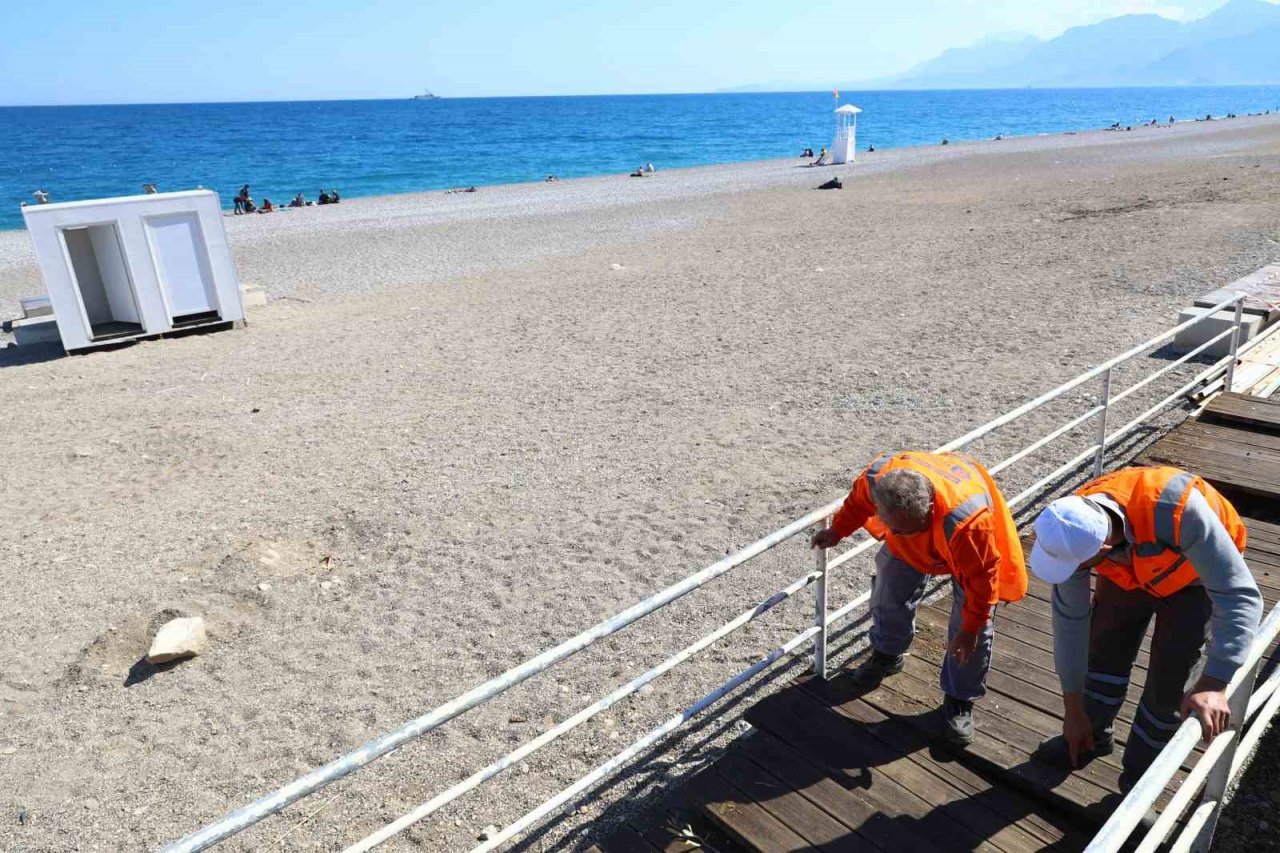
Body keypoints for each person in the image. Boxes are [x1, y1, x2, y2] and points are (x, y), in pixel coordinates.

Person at [1029, 466, 1261, 790]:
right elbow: (1070, 623)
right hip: (1131, 565)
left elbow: (1240, 595)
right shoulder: (1072, 526)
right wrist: (1073, 710)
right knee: (1103, 648)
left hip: (1194, 577)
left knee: (1171, 682)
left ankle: (1140, 779)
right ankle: (1091, 734)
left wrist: (1214, 681)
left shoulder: (1182, 513)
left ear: (1102, 550)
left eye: (1076, 567)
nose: (1070, 572)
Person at [811, 451, 1028, 745]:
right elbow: (858, 504)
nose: (893, 532)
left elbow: (981, 581)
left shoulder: (969, 523)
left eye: (904, 528)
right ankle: (887, 654)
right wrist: (838, 530)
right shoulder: (876, 480)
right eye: (890, 526)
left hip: (963, 547)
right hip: (917, 544)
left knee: (974, 630)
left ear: (929, 508)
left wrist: (970, 629)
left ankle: (960, 699)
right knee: (887, 592)